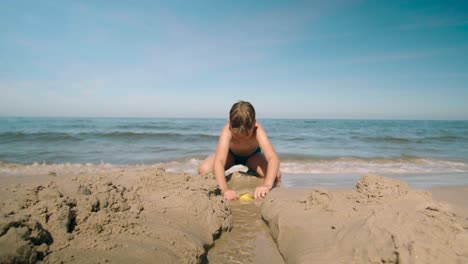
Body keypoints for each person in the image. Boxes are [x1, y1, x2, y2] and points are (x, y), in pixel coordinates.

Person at [198, 100, 281, 201]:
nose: (241, 138)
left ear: (254, 123)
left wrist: (267, 185)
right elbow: (219, 161)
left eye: (246, 135)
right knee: (203, 170)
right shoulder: (227, 130)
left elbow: (273, 158)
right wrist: (225, 190)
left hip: (252, 157)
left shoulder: (258, 130)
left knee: (276, 175)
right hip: (231, 156)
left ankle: (252, 172)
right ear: (229, 122)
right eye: (237, 135)